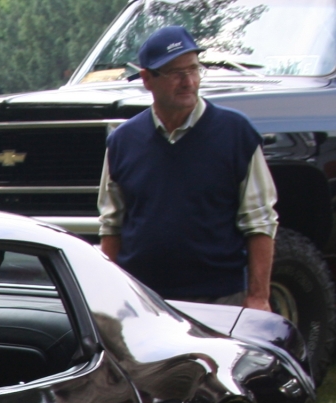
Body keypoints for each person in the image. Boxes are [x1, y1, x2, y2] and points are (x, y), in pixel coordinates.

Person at [98, 25, 278, 309]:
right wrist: (108, 297)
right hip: (144, 302)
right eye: (175, 73)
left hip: (220, 301)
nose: (188, 82)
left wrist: (258, 297)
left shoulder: (236, 133)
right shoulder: (123, 141)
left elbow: (260, 223)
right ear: (147, 79)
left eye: (193, 70)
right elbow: (111, 227)